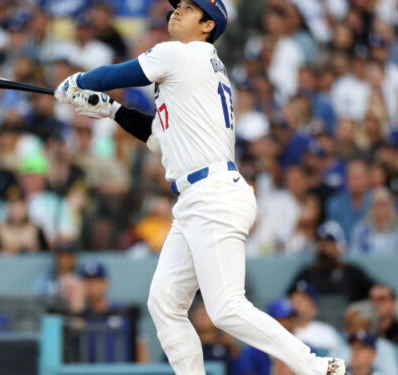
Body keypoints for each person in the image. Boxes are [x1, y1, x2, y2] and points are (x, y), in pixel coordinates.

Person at [54, 0, 344, 373]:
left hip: (212, 193)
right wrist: (110, 109)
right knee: (164, 303)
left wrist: (76, 83)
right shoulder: (193, 70)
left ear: (208, 25)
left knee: (225, 307)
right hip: (200, 196)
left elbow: (111, 74)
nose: (177, 11)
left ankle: (317, 367)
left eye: (190, 8)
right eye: (180, 6)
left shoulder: (180, 54)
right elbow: (159, 138)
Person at [290, 221, 375, 303]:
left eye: (329, 242)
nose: (324, 247)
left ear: (340, 246)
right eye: (321, 242)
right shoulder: (307, 274)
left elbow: (377, 291)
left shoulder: (353, 273)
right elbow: (289, 298)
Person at [290, 281, 343, 351]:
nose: (296, 304)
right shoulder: (281, 330)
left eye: (302, 300)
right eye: (293, 299)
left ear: (314, 308)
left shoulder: (326, 333)